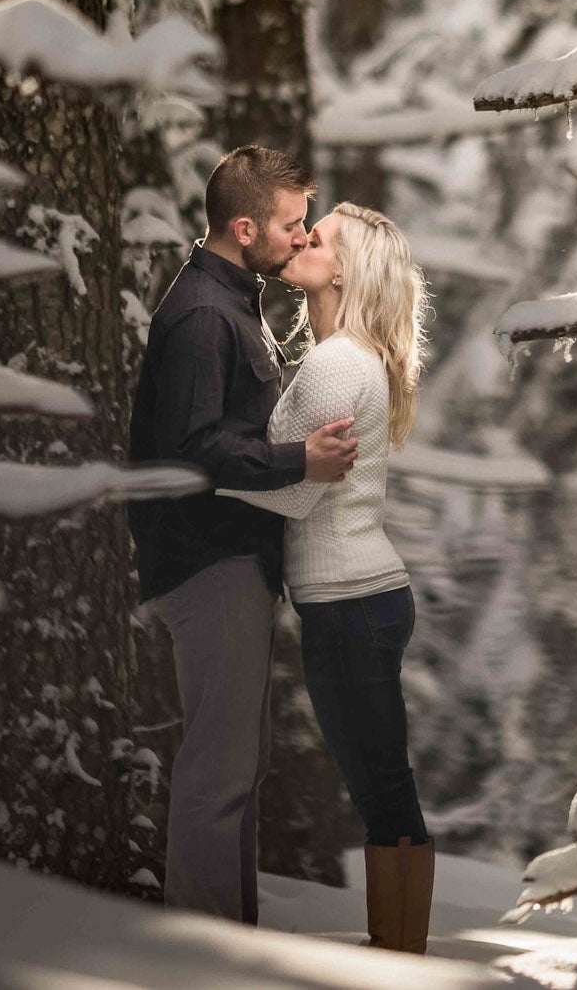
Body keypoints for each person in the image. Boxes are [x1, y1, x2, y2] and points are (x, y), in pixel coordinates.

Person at [128, 146, 360, 924]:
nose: (301, 236)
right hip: (208, 565)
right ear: (242, 225)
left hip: (235, 563)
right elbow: (196, 447)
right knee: (217, 773)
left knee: (240, 766)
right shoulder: (201, 314)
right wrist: (304, 460)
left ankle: (235, 947)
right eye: (291, 224)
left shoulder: (235, 300)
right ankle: (202, 957)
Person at [222, 202, 435, 955]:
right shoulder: (343, 355)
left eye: (321, 237)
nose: (303, 238)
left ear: (344, 269)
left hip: (351, 606)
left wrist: (202, 470)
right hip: (360, 599)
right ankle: (400, 951)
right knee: (382, 784)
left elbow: (291, 489)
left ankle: (403, 959)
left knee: (383, 792)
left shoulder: (337, 362)